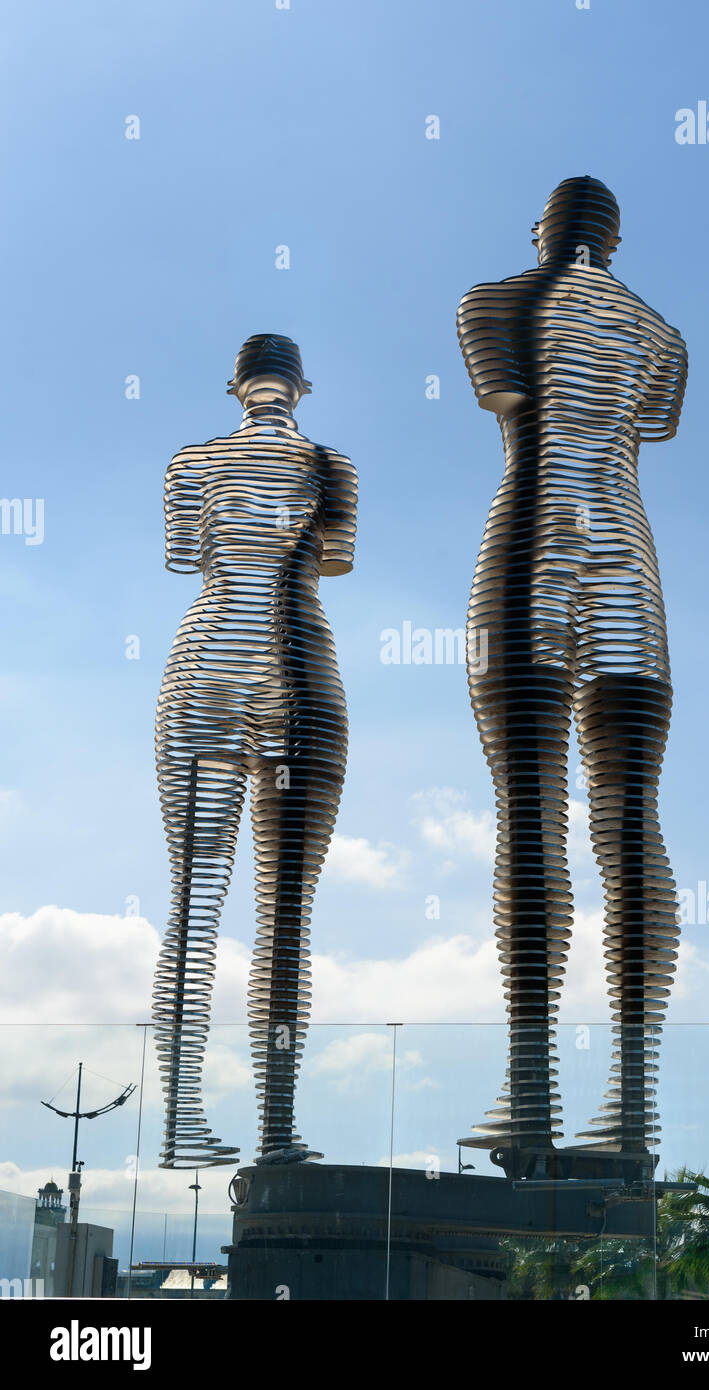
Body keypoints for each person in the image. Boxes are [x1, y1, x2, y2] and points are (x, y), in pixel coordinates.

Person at [457, 178, 687, 1172]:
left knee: (529, 805)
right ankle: (632, 1102)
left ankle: (531, 1089)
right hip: (629, 559)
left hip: (530, 545)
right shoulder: (662, 335)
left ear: (540, 229)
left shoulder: (492, 302)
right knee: (630, 814)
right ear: (619, 239)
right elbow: (661, 426)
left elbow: (506, 398)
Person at [153, 333, 356, 1168]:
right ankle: (277, 1127)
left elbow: (181, 560)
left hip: (205, 656)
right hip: (299, 661)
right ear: (303, 388)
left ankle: (182, 1122)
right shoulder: (332, 466)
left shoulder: (187, 463)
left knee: (194, 900)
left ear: (233, 385)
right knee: (286, 911)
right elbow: (334, 564)